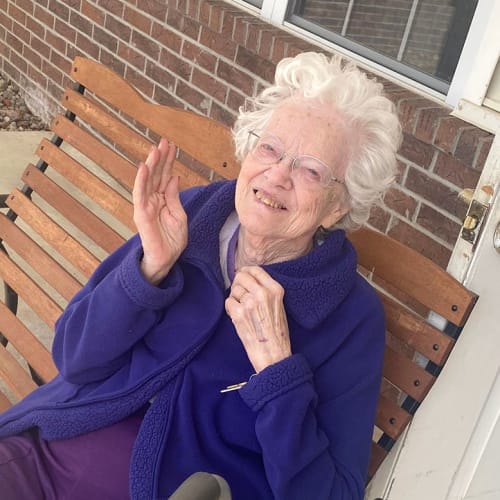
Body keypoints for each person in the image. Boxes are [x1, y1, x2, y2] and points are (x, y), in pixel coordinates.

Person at [0, 51, 401, 499]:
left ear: (339, 205)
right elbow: (74, 357)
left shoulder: (349, 317)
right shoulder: (191, 216)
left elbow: (332, 494)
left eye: (310, 170)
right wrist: (148, 271)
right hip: (44, 460)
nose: (276, 176)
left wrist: (277, 373)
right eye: (270, 148)